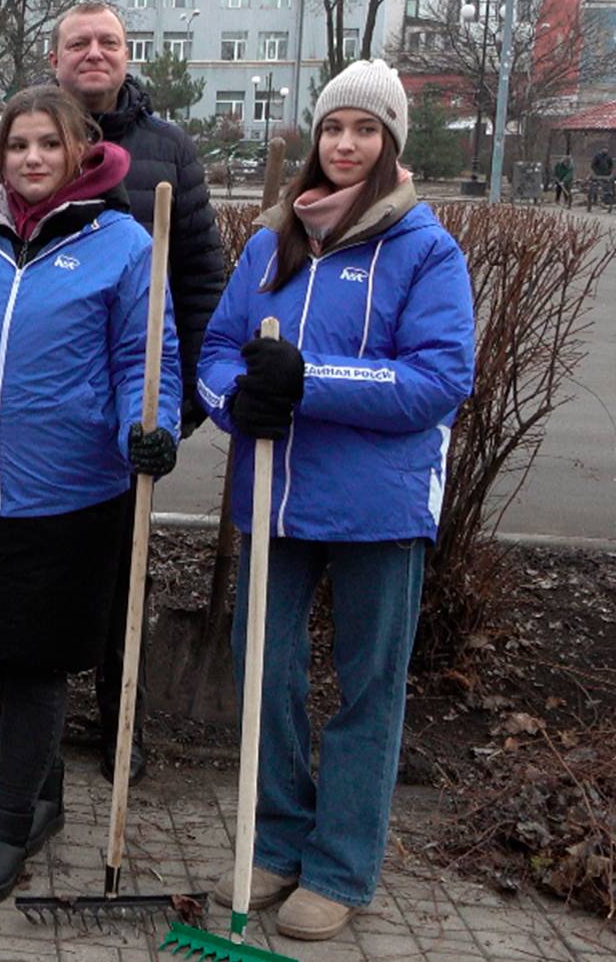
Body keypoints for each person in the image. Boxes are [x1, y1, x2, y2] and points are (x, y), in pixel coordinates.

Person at [0, 84, 180, 905]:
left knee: (37, 659)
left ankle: (12, 817)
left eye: (50, 143)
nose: (34, 158)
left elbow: (144, 360)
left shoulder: (122, 245)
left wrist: (146, 428)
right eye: (18, 146)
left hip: (73, 493)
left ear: (82, 151)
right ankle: (43, 792)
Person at [197, 59, 474, 941]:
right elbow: (216, 353)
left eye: (364, 130)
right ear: (315, 139)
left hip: (380, 508)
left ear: (389, 142)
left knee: (367, 691)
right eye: (332, 128)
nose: (345, 144)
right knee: (266, 672)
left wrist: (308, 379)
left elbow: (436, 380)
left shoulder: (425, 248)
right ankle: (277, 839)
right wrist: (234, 401)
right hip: (278, 498)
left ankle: (343, 865)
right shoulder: (270, 242)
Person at [0, 1, 227, 783]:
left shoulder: (169, 148)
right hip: (20, 421)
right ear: (56, 54)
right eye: (79, 41)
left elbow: (200, 281)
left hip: (125, 415)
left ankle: (118, 720)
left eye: (109, 41)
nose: (94, 52)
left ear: (126, 53)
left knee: (113, 579)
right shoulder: (8, 136)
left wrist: (172, 412)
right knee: (2, 571)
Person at [589, 146, 615, 212]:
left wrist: (609, 172)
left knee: (608, 188)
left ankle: (607, 201)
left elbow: (611, 165)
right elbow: (593, 165)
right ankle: (594, 200)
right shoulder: (597, 156)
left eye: (606, 149)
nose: (605, 150)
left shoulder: (608, 157)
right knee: (594, 188)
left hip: (606, 175)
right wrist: (596, 172)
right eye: (604, 149)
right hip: (598, 175)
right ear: (602, 149)